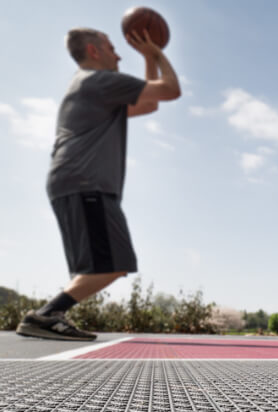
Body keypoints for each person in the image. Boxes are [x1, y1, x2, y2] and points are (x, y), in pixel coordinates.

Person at [16, 27, 180, 341]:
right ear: (94, 51)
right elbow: (170, 89)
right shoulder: (99, 82)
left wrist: (148, 60)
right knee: (112, 263)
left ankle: (51, 315)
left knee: (102, 265)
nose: (119, 55)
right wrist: (155, 54)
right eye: (112, 48)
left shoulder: (91, 87)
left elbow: (149, 103)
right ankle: (47, 314)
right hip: (85, 181)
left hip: (76, 181)